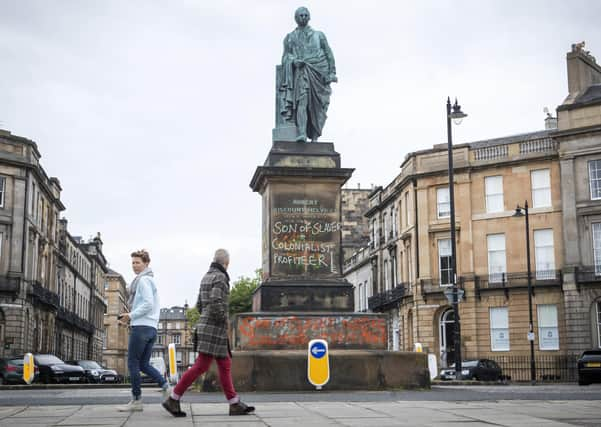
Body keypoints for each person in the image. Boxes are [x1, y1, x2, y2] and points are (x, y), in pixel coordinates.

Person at [162, 249, 255, 417]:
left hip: (206, 326)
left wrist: (208, 317)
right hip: (215, 329)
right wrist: (224, 320)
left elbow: (199, 305)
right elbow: (216, 301)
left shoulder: (206, 276)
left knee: (224, 364)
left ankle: (234, 403)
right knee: (201, 365)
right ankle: (173, 399)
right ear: (226, 263)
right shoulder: (220, 277)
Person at [117, 249, 171, 412]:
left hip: (141, 327)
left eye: (138, 262)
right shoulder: (149, 280)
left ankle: (137, 400)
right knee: (143, 364)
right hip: (151, 328)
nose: (134, 265)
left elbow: (147, 304)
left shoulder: (143, 281)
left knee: (133, 363)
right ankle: (166, 387)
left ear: (146, 263)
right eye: (133, 262)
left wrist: (130, 315)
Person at [279, 7, 337, 142]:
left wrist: (332, 72)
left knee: (318, 107)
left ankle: (315, 138)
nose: (303, 17)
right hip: (302, 72)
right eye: (301, 15)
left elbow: (329, 54)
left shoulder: (319, 35)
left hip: (319, 74)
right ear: (296, 18)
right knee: (301, 102)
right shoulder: (290, 38)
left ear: (309, 17)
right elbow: (285, 57)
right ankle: (302, 133)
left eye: (306, 15)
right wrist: (293, 61)